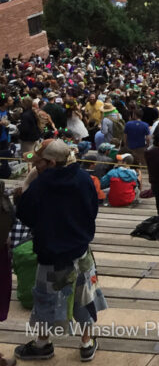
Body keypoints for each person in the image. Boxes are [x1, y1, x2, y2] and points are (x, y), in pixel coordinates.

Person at [14, 139, 106, 362]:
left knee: (45, 299)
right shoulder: (84, 178)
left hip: (51, 254)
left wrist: (28, 182)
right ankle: (86, 343)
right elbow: (92, 211)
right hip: (80, 250)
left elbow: (25, 214)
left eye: (39, 162)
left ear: (52, 162)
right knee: (84, 297)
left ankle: (42, 344)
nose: (36, 166)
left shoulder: (42, 184)